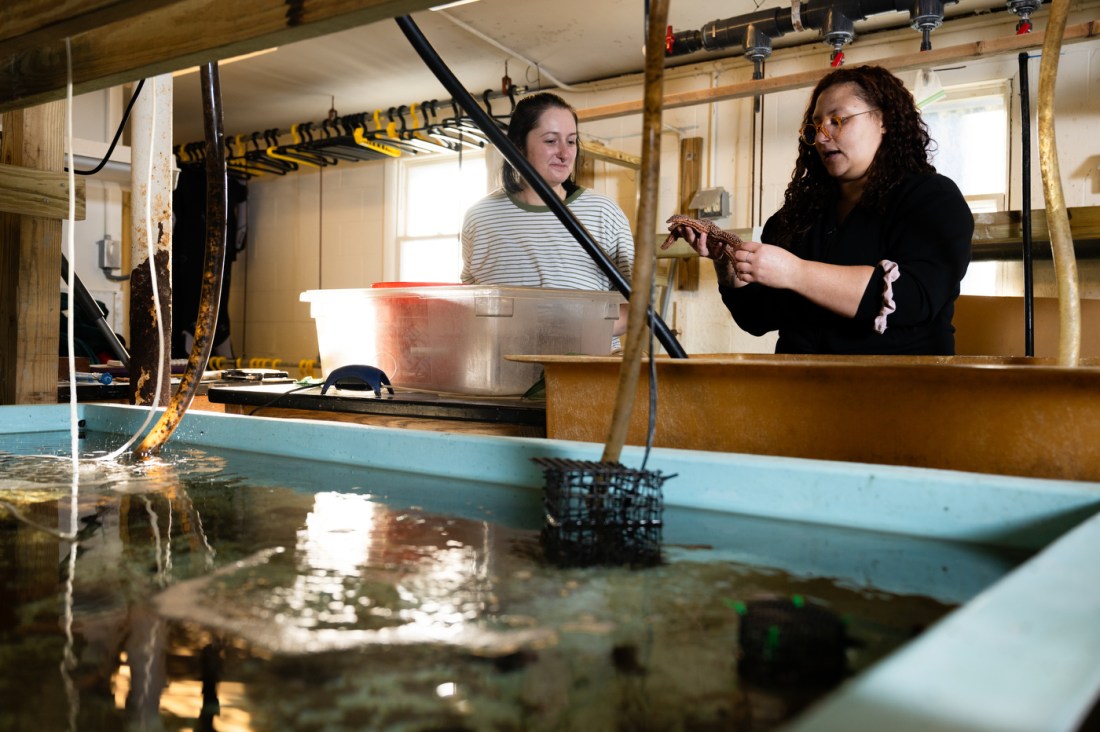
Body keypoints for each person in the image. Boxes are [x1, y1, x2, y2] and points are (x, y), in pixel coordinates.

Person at [670, 65, 973, 355]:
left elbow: (913, 298)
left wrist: (795, 271)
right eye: (816, 126)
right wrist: (726, 264)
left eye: (838, 120)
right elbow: (759, 318)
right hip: (799, 388)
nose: (822, 136)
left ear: (884, 120)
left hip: (899, 391)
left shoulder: (931, 198)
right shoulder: (802, 213)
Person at [461, 92, 632, 340]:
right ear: (518, 146)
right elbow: (471, 301)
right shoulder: (480, 217)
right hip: (507, 370)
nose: (565, 153)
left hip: (582, 368)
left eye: (571, 141)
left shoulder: (603, 212)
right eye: (551, 141)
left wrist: (571, 334)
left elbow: (638, 306)